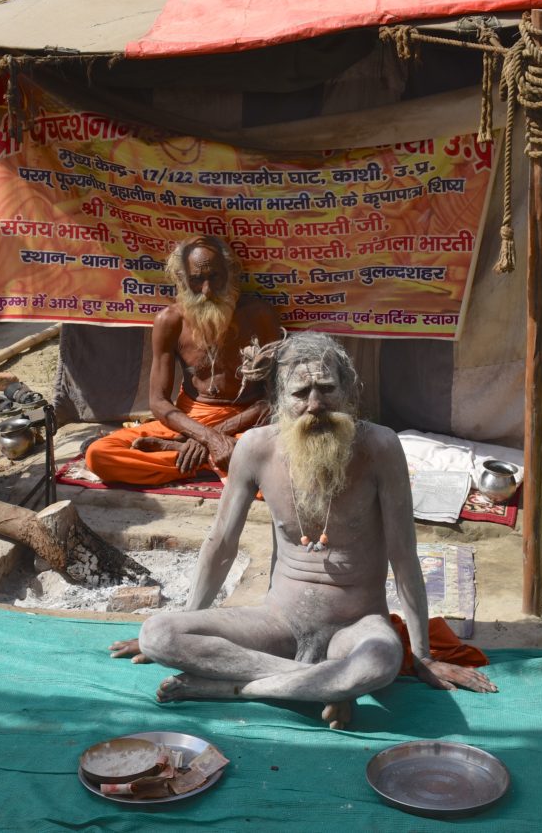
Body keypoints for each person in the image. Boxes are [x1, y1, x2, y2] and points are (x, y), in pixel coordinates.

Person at [109, 331, 497, 729]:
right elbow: (221, 543)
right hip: (277, 623)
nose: (315, 405)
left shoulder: (380, 448)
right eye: (301, 393)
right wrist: (189, 625)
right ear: (278, 400)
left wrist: (422, 655)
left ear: (348, 391)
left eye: (326, 389)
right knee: (159, 634)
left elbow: (403, 558)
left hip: (355, 627)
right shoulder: (256, 448)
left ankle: (236, 687)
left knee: (381, 661)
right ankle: (325, 686)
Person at [84, 235, 281, 486]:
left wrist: (214, 435)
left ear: (231, 273)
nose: (207, 290)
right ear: (181, 279)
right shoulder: (169, 321)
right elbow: (158, 402)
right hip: (189, 421)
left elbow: (275, 396)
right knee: (100, 454)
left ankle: (183, 454)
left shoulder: (259, 315)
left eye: (215, 277)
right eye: (197, 280)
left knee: (282, 463)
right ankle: (222, 464)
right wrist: (208, 438)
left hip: (247, 421)